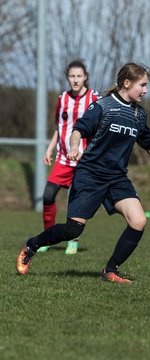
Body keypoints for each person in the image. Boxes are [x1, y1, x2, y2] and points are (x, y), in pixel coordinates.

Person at [16, 62, 150, 283]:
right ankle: (32, 244)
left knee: (138, 220)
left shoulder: (139, 114)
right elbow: (79, 129)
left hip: (116, 178)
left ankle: (110, 270)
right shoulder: (103, 107)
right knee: (73, 230)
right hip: (90, 174)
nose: (145, 90)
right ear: (127, 83)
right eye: (142, 85)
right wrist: (76, 147)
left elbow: (149, 143)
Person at [38, 60, 99, 255]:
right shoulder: (62, 98)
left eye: (79, 76)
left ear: (85, 77)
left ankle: (73, 239)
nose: (75, 80)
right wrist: (49, 149)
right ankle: (47, 237)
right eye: (72, 76)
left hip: (84, 160)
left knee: (75, 202)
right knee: (48, 196)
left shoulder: (94, 98)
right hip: (63, 159)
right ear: (68, 77)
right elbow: (58, 127)